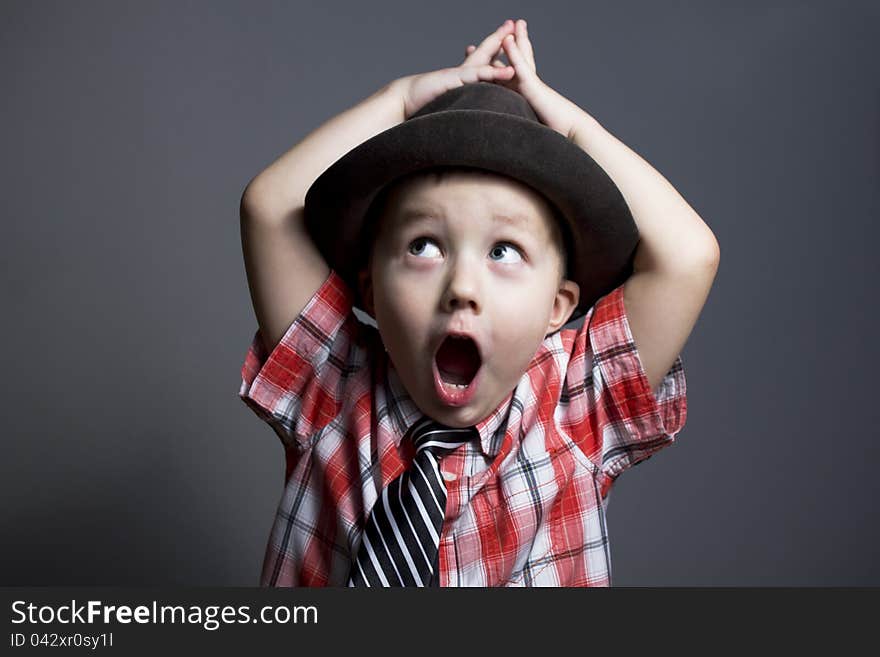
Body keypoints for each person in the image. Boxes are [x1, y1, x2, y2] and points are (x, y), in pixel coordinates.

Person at [238, 18, 719, 586]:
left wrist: (571, 131)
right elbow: (270, 208)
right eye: (424, 246)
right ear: (369, 286)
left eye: (504, 252)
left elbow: (688, 256)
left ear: (558, 306)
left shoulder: (575, 408)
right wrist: (399, 101)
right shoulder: (333, 383)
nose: (462, 287)